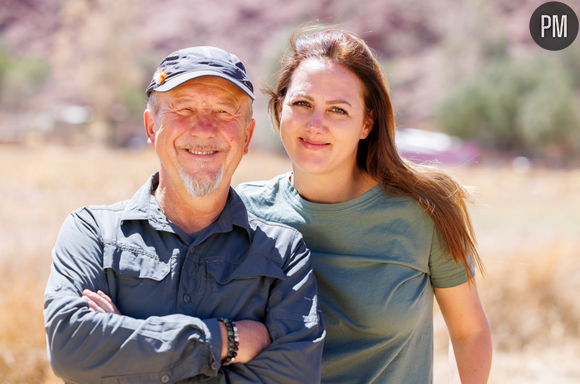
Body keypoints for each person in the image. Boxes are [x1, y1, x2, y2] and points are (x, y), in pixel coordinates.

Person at [44, 46, 324, 384]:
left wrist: (122, 347)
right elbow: (71, 348)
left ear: (247, 136)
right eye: (184, 108)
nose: (204, 129)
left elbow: (293, 377)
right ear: (151, 127)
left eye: (224, 111)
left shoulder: (283, 253)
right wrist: (225, 339)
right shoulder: (92, 233)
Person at [236, 27, 492, 384]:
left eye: (338, 110)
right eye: (302, 103)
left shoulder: (425, 210)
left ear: (366, 123)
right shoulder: (243, 211)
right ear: (280, 110)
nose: (315, 124)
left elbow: (469, 332)